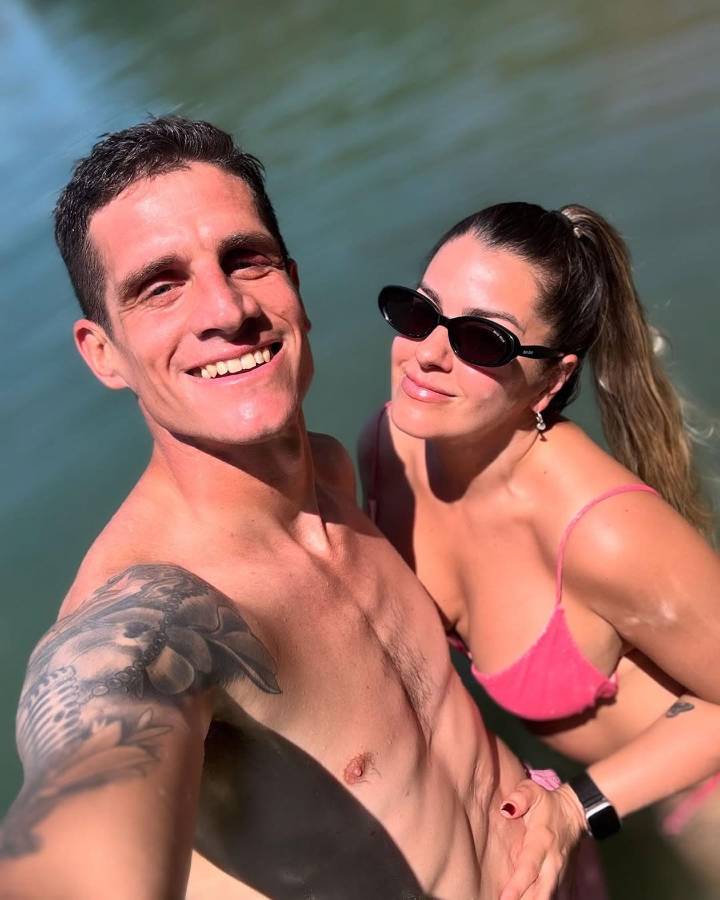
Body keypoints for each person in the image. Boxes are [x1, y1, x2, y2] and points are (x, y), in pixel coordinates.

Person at [0, 120, 584, 900]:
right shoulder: (155, 616)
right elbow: (89, 769)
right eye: (160, 286)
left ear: (295, 284)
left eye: (246, 259)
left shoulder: (332, 474)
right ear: (103, 353)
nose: (226, 308)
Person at [359, 201, 720, 889]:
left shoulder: (604, 534)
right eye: (419, 312)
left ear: (551, 381)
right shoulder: (388, 445)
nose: (428, 353)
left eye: (482, 340)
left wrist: (578, 808)